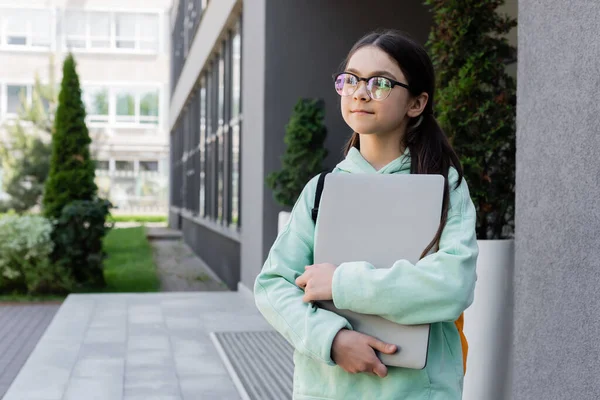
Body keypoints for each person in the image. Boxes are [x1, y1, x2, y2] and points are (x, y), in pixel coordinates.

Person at [254, 29, 478, 400]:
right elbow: (272, 285)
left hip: (420, 392)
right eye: (351, 80)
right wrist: (334, 339)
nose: (360, 92)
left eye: (381, 83)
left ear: (416, 103)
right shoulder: (321, 189)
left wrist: (342, 284)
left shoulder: (444, 186)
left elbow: (452, 284)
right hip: (328, 390)